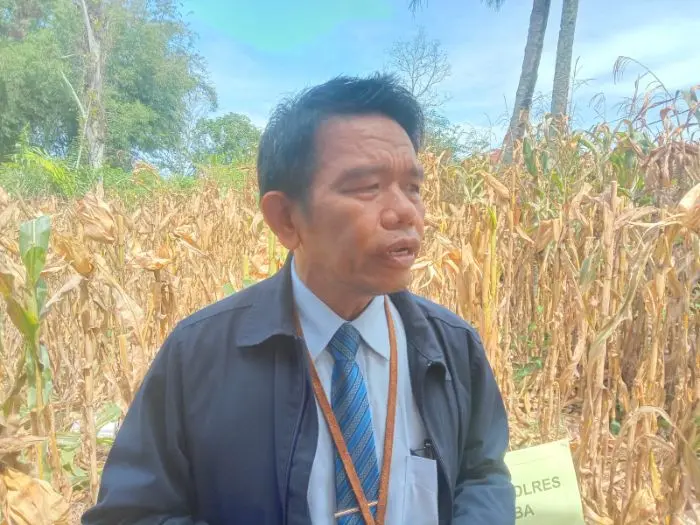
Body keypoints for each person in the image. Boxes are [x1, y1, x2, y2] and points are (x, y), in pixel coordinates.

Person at [82, 73, 515, 525]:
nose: (406, 211)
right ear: (286, 218)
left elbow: (482, 473)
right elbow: (130, 514)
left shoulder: (452, 347)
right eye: (367, 187)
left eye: (413, 187)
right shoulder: (199, 356)